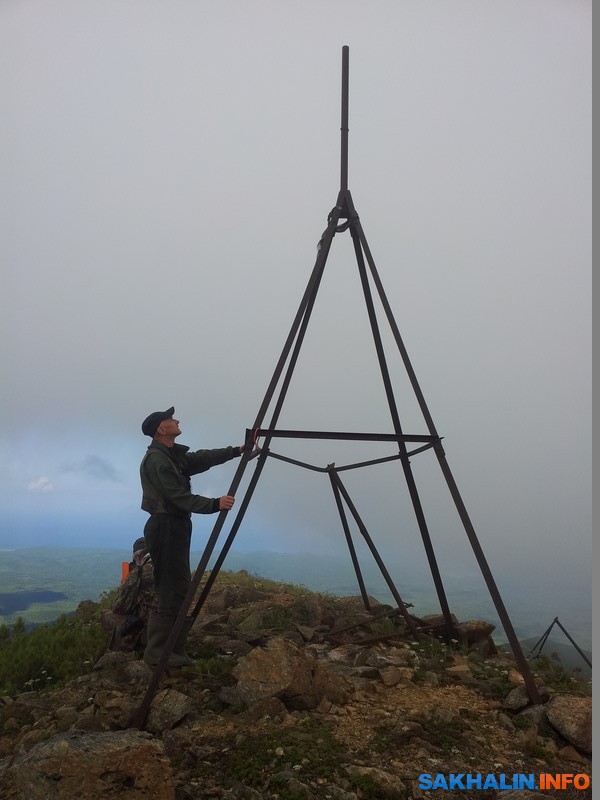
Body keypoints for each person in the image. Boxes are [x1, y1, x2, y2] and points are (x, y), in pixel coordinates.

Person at [139, 406, 246, 667]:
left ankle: (173, 650)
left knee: (179, 588)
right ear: (161, 429)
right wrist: (214, 504)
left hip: (174, 525)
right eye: (170, 419)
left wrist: (237, 451)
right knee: (170, 589)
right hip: (165, 526)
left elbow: (200, 458)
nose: (176, 420)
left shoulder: (171, 456)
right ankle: (156, 652)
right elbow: (177, 495)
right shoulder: (157, 460)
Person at [110, 537, 156, 653]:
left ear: (137, 556)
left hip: (151, 627)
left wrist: (125, 586)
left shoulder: (139, 572)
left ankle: (119, 653)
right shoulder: (169, 565)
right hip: (175, 624)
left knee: (107, 617)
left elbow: (120, 607)